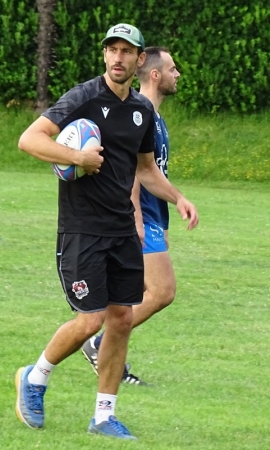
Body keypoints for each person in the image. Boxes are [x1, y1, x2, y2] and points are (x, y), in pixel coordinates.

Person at [15, 24, 198, 441]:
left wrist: (178, 198)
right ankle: (35, 375)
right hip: (82, 229)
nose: (117, 58)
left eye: (126, 52)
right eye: (111, 50)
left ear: (138, 62)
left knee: (119, 319)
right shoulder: (82, 98)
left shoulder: (142, 111)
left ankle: (103, 416)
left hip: (121, 230)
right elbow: (30, 140)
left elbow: (146, 168)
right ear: (104, 56)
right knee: (91, 318)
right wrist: (77, 156)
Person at [81, 46, 186, 385]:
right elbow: (133, 175)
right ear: (154, 75)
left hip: (153, 219)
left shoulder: (154, 117)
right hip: (136, 220)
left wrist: (164, 221)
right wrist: (138, 219)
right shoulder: (139, 115)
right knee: (161, 291)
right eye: (172, 69)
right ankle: (98, 343)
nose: (177, 74)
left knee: (132, 294)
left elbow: (154, 172)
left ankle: (109, 358)